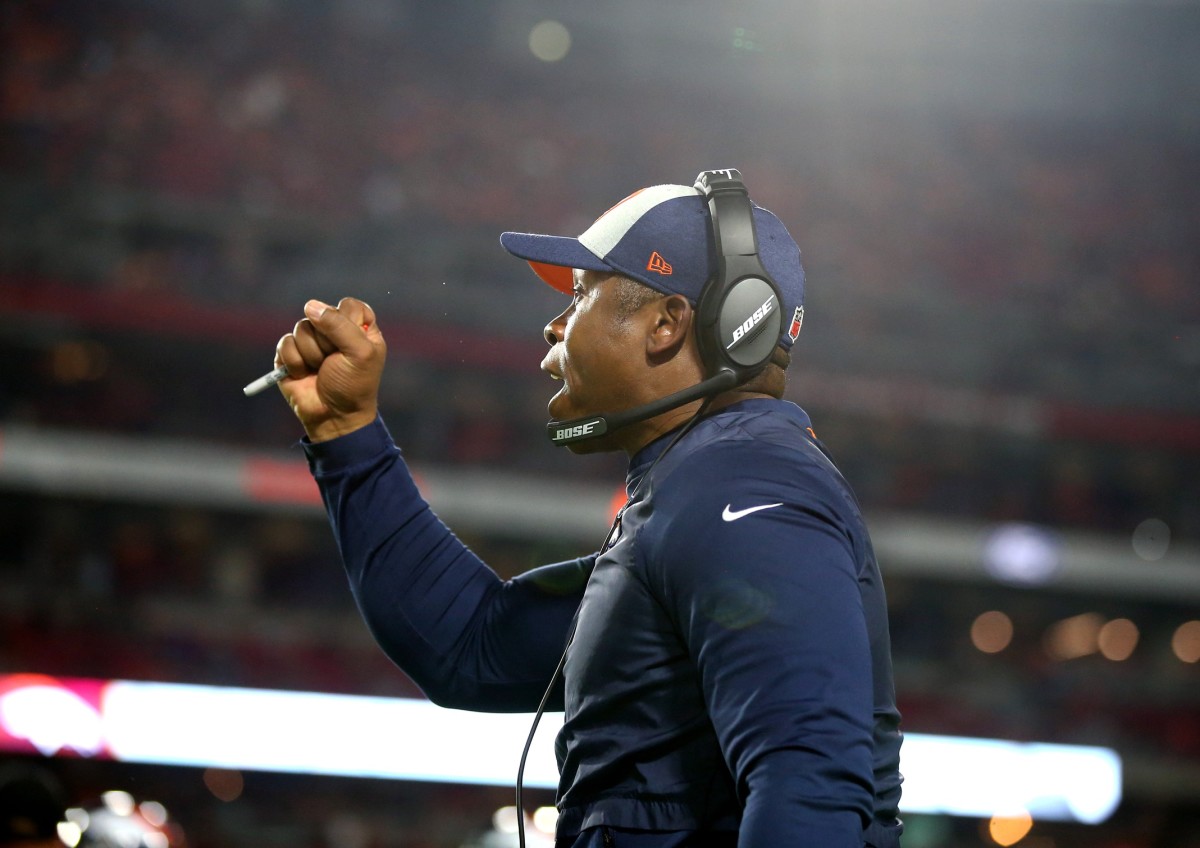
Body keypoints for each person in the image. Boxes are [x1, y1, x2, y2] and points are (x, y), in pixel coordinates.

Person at [270, 172, 904, 847]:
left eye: (581, 296)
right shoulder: (696, 491)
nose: (554, 326)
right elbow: (470, 647)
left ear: (667, 324)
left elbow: (809, 787)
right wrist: (347, 434)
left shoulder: (743, 485)